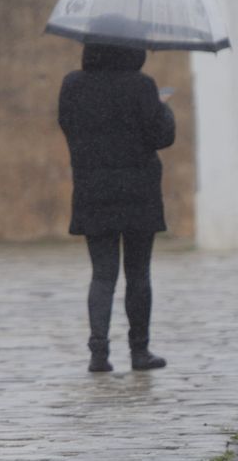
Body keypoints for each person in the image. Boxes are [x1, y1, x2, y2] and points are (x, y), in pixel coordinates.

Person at [58, 42, 176, 373]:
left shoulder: (72, 85)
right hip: (139, 190)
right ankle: (140, 351)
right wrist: (162, 107)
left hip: (92, 189)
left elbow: (68, 126)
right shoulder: (142, 86)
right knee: (138, 272)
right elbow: (162, 136)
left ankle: (98, 353)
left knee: (102, 273)